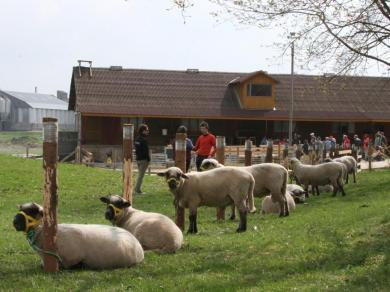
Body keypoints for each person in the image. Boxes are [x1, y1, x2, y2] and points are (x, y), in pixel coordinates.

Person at [134, 124, 150, 195]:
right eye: (146, 130)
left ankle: (137, 189)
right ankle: (137, 190)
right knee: (141, 175)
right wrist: (148, 159)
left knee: (140, 174)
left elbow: (137, 150)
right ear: (143, 131)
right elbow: (145, 151)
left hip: (138, 159)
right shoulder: (144, 140)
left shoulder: (137, 139)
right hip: (144, 160)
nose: (148, 131)